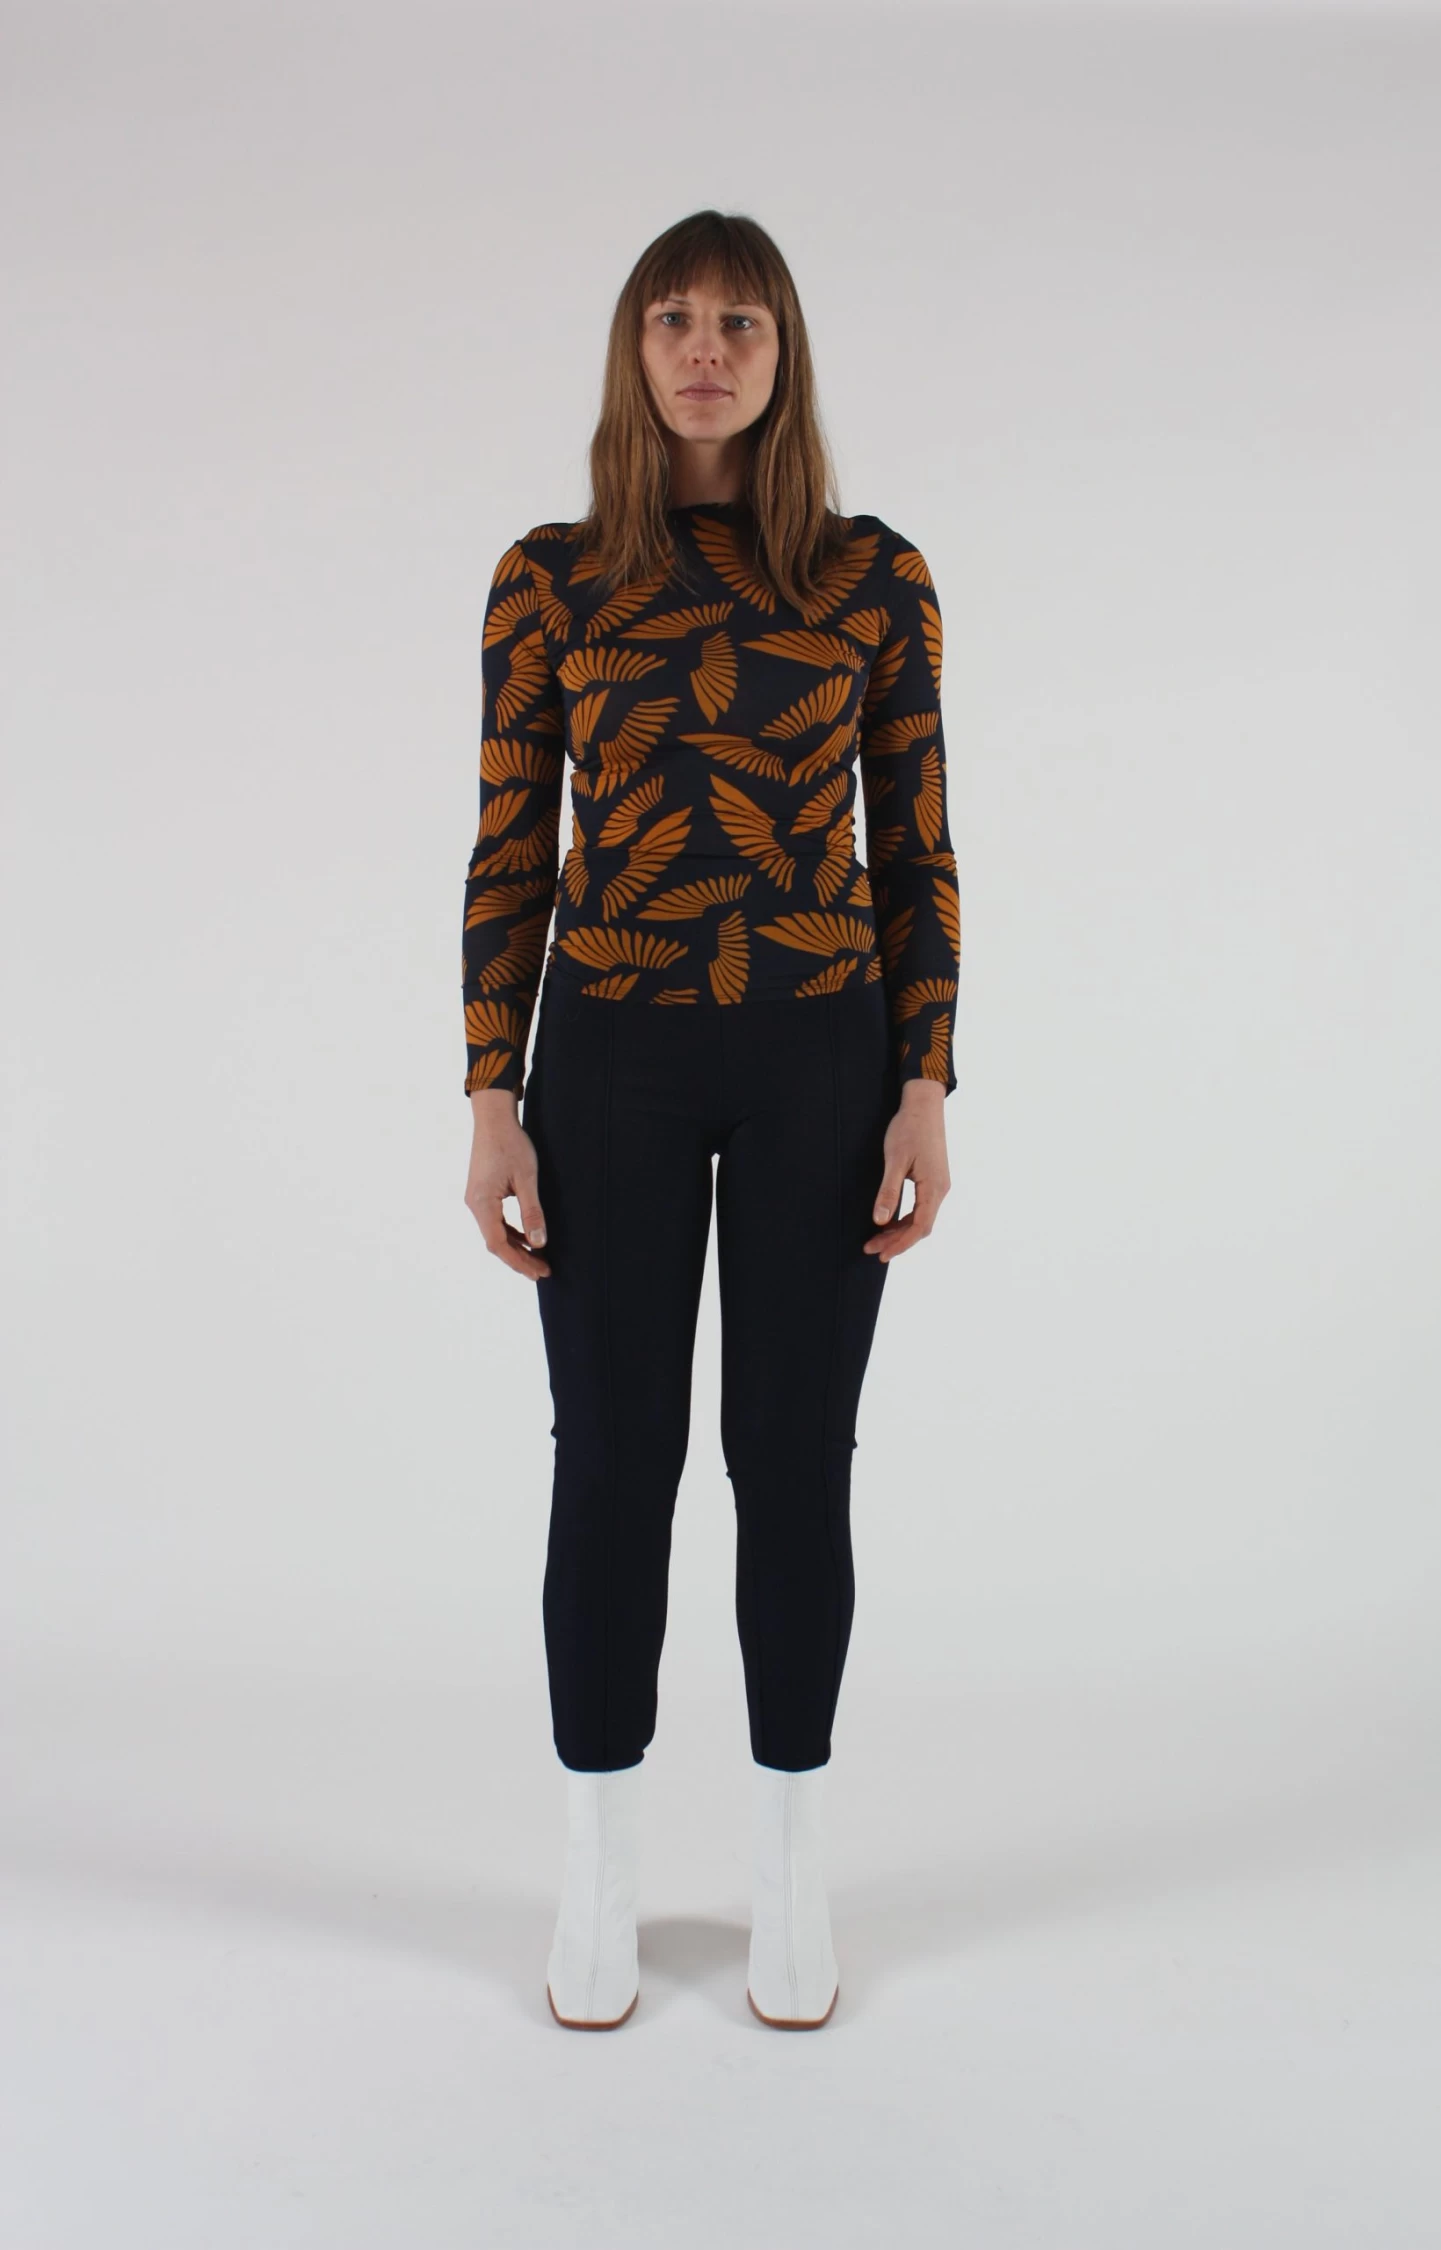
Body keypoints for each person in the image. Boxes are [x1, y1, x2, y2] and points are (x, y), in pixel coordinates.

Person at [461, 210, 960, 2031]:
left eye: (740, 322)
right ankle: (597, 1869)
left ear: (782, 352)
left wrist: (926, 1078)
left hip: (823, 1048)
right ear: (633, 347)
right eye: (673, 318)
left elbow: (915, 841)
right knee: (613, 1455)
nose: (704, 350)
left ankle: (788, 1864)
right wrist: (490, 1093)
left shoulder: (872, 577)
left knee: (793, 1456)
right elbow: (511, 842)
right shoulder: (552, 579)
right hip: (610, 1055)